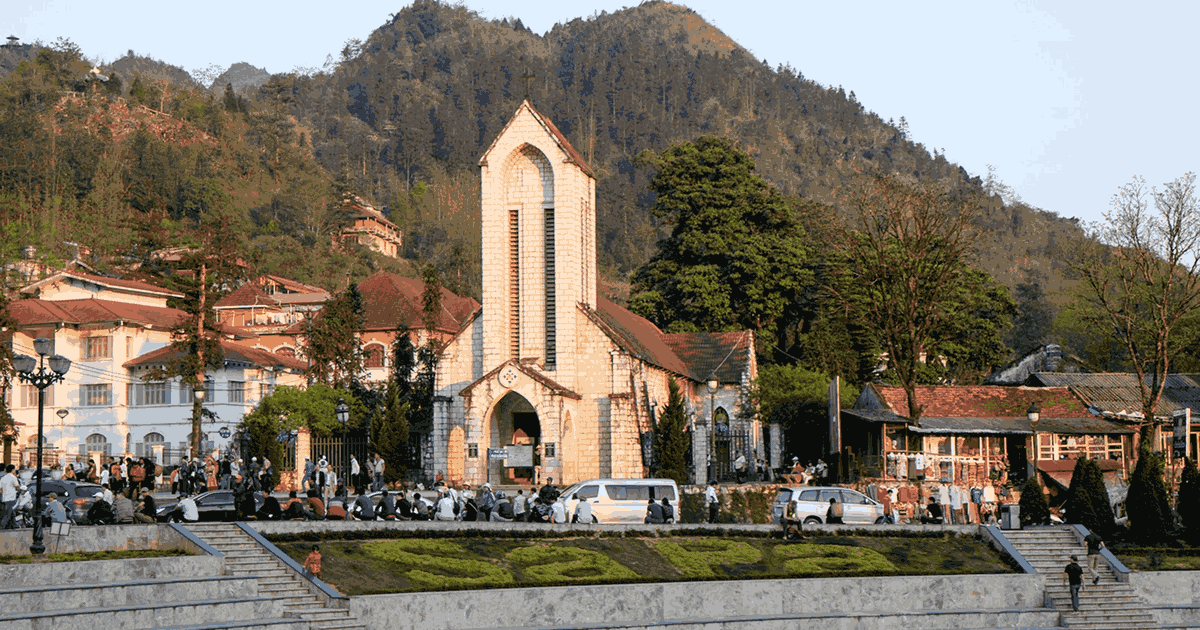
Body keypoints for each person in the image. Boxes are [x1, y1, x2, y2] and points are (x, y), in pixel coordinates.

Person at [1, 464, 23, 529]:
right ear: (12, 470)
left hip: (4, 497)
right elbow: (17, 487)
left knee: (11, 511)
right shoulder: (13, 477)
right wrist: (19, 488)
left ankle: (15, 525)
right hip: (11, 497)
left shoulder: (3, 478)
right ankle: (2, 525)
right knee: (8, 513)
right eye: (14, 469)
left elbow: (0, 488)